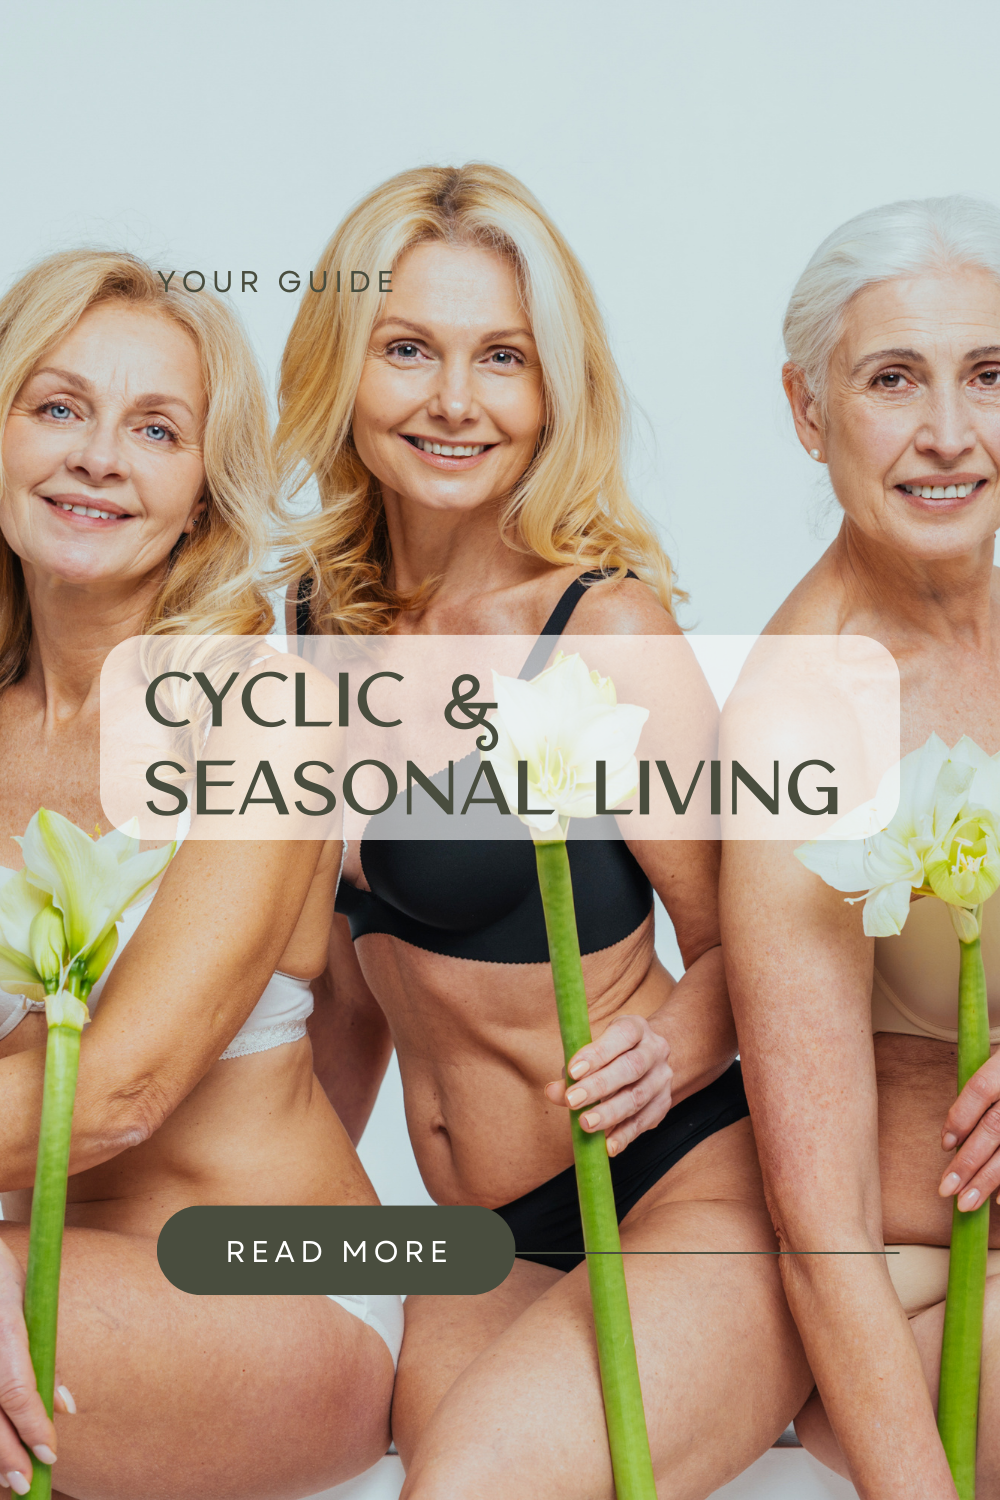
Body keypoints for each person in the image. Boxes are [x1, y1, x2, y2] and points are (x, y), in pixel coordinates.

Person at [278, 162, 811, 1498]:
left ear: (551, 391)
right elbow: (344, 990)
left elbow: (753, 950)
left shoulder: (607, 632)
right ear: (344, 366)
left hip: (681, 1189)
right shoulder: (299, 625)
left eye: (502, 358)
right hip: (481, 1239)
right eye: (409, 349)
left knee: (475, 1487)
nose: (455, 401)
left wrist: (654, 1045)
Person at [0, 251, 399, 1500]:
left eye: (155, 429)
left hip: (269, 1289)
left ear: (202, 498)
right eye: (58, 407)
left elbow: (116, 1091)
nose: (98, 457)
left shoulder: (260, 718)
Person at [722, 196, 1000, 1496]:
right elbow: (820, 1231)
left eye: (989, 375)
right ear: (808, 410)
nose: (951, 432)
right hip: (929, 1289)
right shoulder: (803, 715)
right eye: (896, 379)